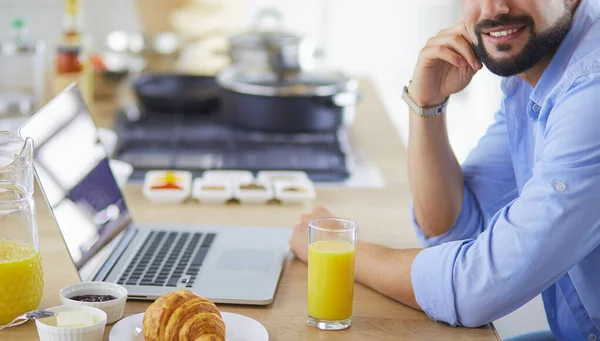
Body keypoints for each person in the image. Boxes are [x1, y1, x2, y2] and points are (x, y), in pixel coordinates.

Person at [289, 0, 600, 340]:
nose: (493, 9)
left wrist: (337, 249)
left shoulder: (590, 92)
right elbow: (454, 229)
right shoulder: (535, 76)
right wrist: (426, 104)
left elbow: (477, 289)